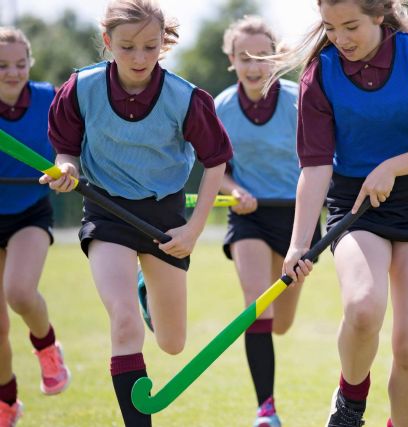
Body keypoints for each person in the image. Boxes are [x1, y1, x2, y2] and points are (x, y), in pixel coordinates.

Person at [274, 0, 408, 426]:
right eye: (330, 27)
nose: (340, 39)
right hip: (354, 205)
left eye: (351, 27)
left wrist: (393, 166)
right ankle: (350, 398)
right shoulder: (320, 74)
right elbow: (314, 166)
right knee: (363, 308)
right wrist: (298, 243)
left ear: (379, 16)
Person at [42, 1, 232, 425]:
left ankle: (146, 288)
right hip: (107, 211)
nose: (140, 58)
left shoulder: (184, 98)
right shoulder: (81, 88)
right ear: (108, 42)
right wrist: (67, 167)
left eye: (150, 47)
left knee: (172, 342)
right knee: (124, 323)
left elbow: (216, 158)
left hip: (164, 219)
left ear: (163, 43)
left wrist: (195, 228)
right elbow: (66, 149)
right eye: (127, 47)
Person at [214, 15, 322, 427]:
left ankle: (276, 325)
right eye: (244, 57)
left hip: (299, 219)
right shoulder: (220, 107)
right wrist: (232, 188)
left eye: (262, 56)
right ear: (231, 60)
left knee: (281, 323)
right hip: (250, 218)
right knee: (256, 306)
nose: (254, 65)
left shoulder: (301, 99)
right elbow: (216, 168)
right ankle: (266, 410)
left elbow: (321, 159)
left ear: (276, 56)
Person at [0, 27, 71, 426]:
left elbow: (72, 141)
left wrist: (67, 168)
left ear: (30, 62)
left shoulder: (49, 99)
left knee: (20, 292)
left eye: (19, 63)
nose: (12, 72)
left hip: (29, 211)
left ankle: (47, 347)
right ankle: (7, 401)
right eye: (2, 66)